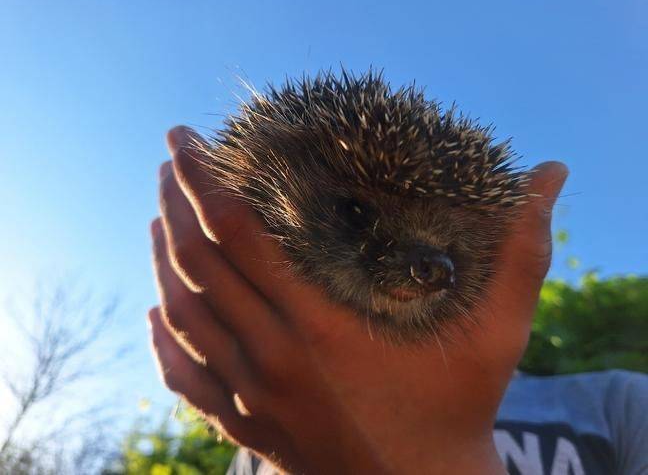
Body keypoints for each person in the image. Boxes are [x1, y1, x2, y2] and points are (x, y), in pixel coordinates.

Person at [149, 127, 648, 474]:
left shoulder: (621, 409)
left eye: (450, 255)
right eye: (354, 213)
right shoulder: (262, 442)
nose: (426, 270)